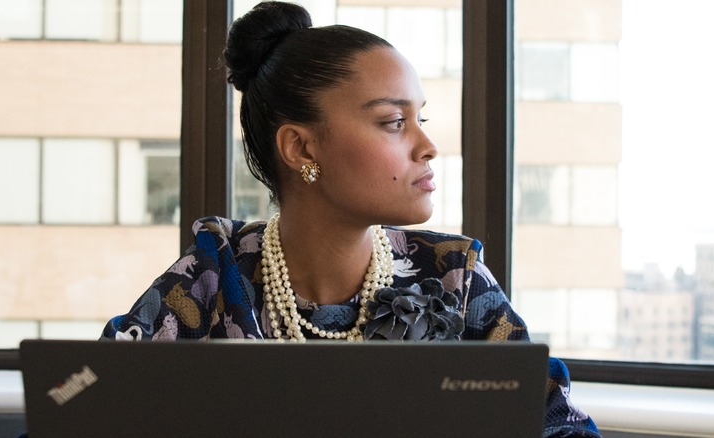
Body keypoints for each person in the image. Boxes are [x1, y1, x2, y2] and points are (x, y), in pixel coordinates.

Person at [101, 2, 600, 436]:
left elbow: (557, 423)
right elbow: (87, 401)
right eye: (393, 122)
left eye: (419, 120)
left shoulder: (455, 275)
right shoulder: (213, 275)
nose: (427, 147)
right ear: (300, 147)